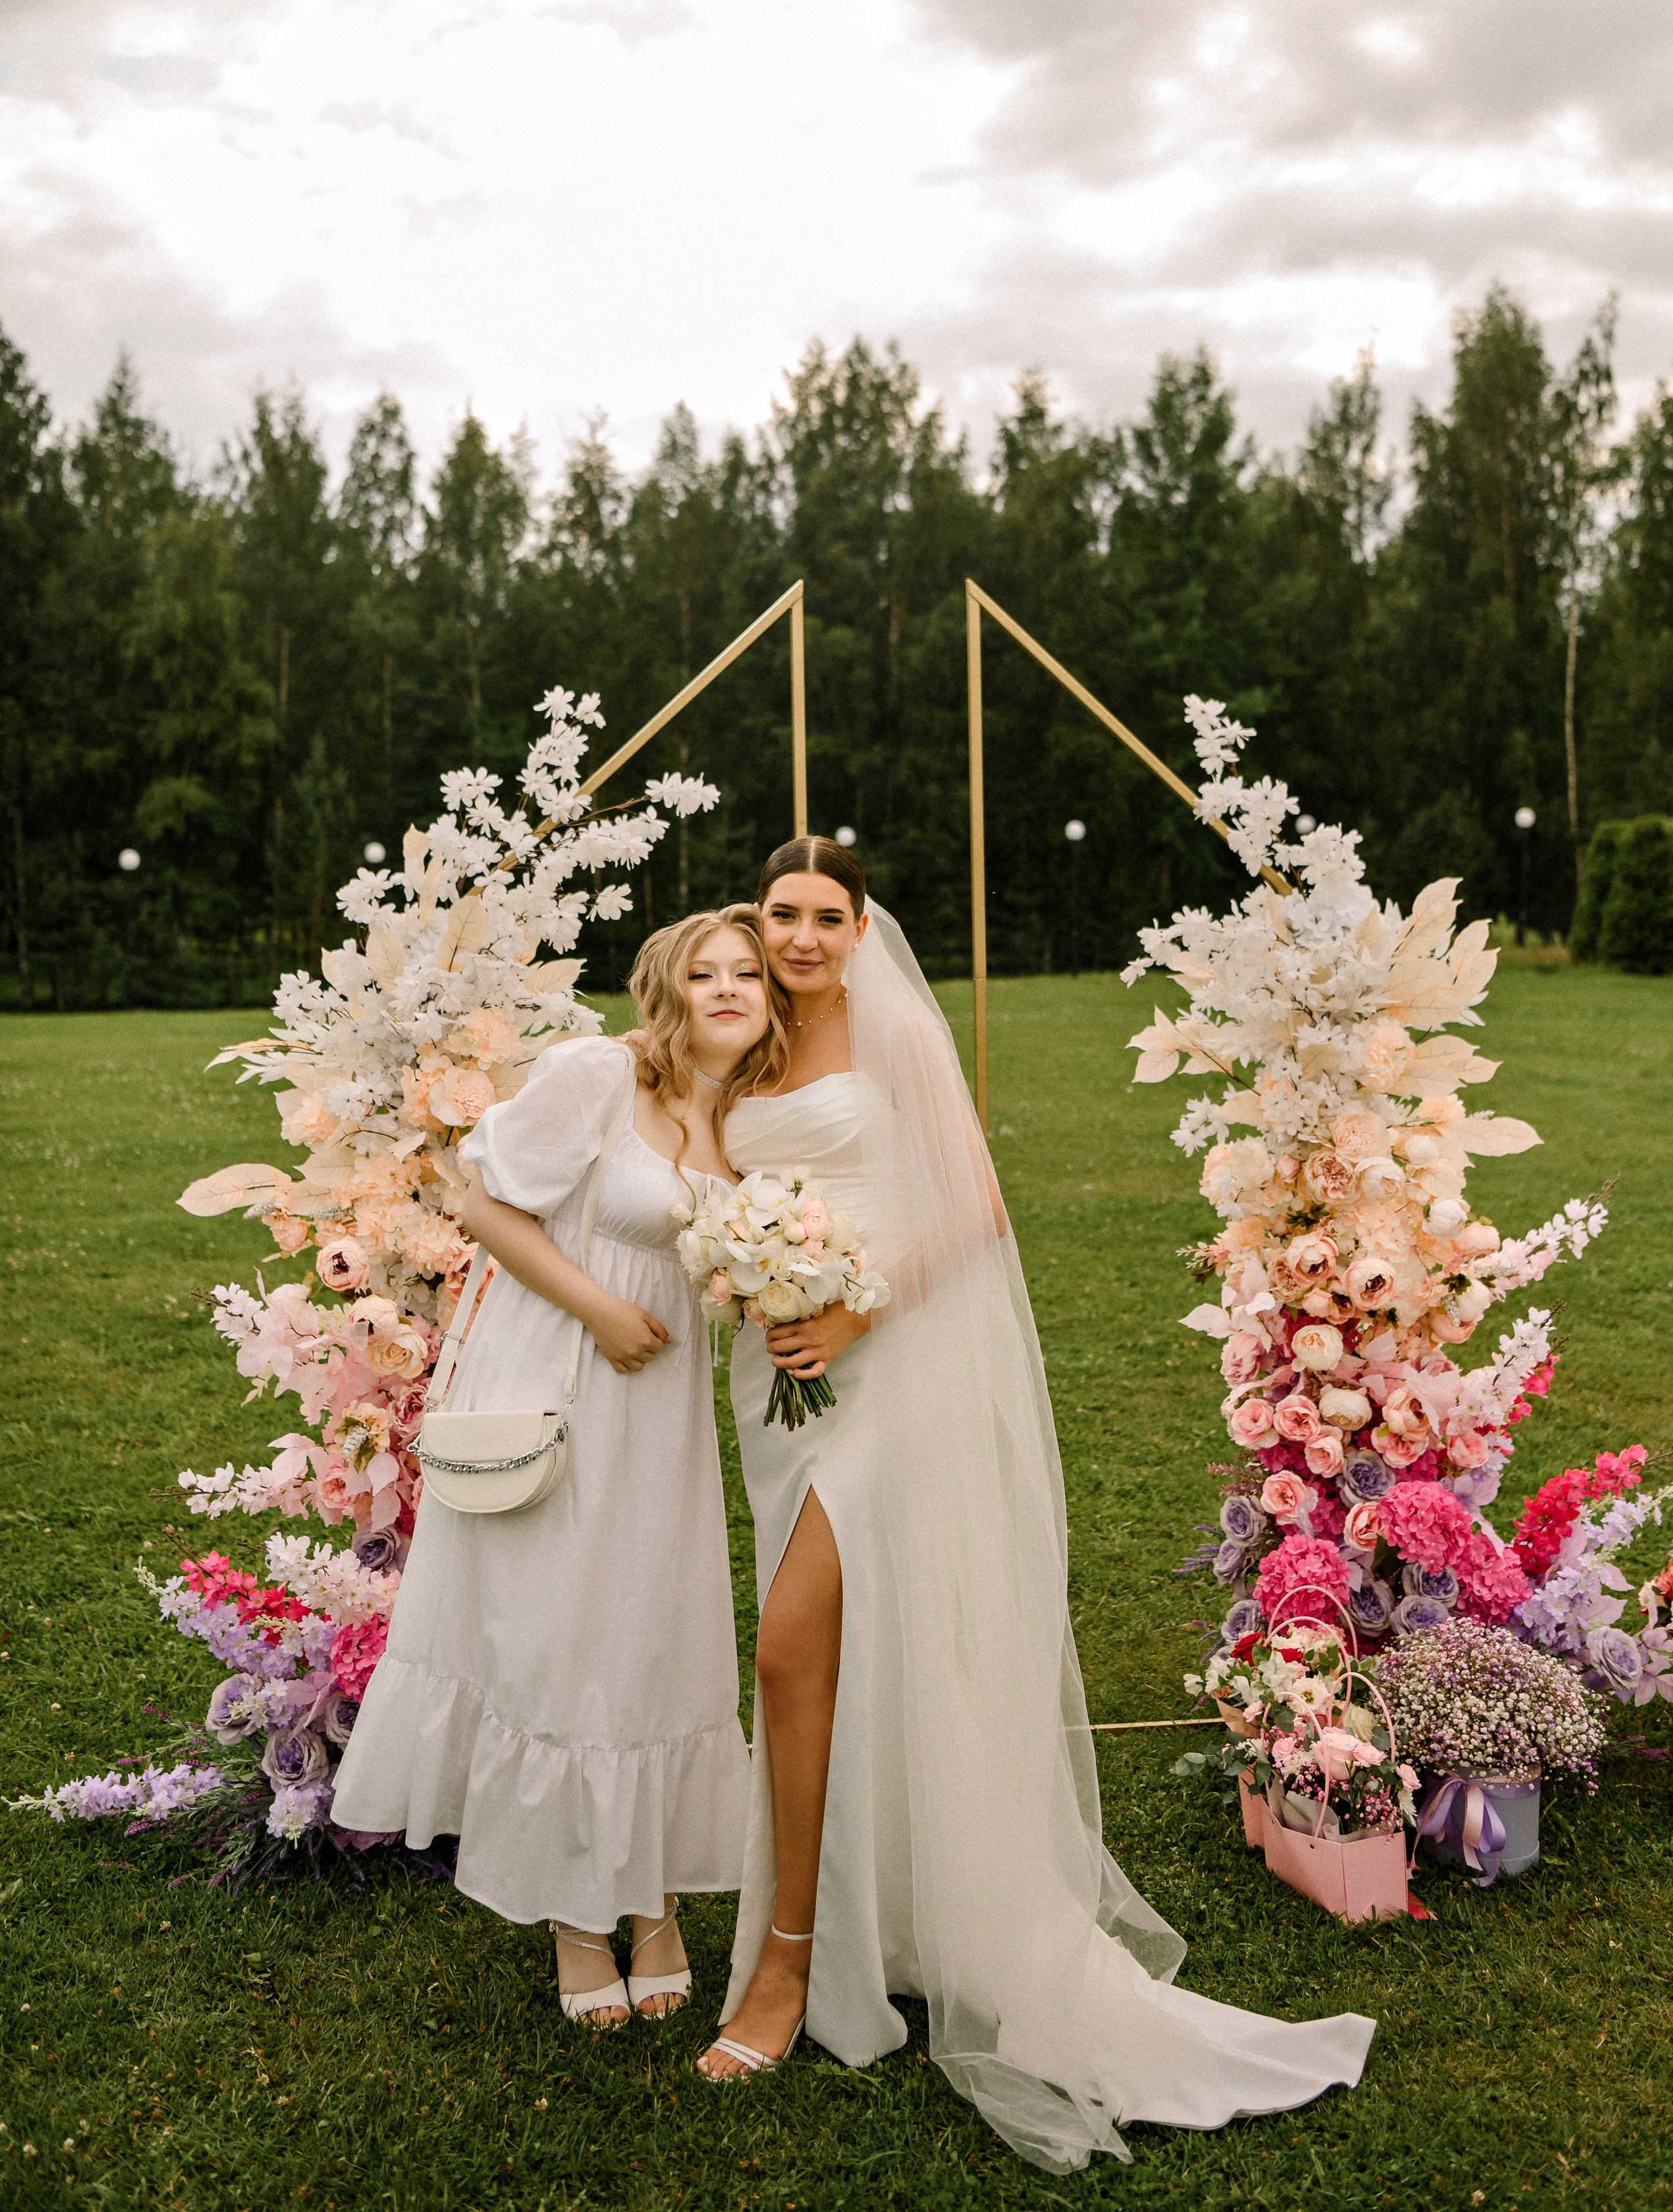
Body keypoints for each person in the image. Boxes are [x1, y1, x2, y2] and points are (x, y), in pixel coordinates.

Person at [698, 837, 1375, 2170]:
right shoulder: (742, 1042)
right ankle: (868, 1920)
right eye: (780, 913)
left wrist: (849, 1303)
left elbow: (976, 1206)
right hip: (779, 1379)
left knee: (784, 1646)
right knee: (828, 1658)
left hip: (885, 1363)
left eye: (825, 916)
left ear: (859, 926)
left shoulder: (888, 1031)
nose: (798, 937)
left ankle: (785, 1969)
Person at [331, 907, 781, 2026]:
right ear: (665, 989)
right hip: (563, 1374)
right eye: (705, 972)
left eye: (750, 974)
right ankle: (581, 1916)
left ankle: (655, 1900)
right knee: (566, 1632)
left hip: (662, 1407)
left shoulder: (747, 1116)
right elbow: (485, 1205)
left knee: (654, 1624)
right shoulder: (598, 1073)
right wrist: (603, 1309)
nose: (728, 989)